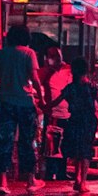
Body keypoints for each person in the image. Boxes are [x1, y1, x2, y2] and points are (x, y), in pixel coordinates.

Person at [0, 24, 45, 194]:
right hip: (25, 103)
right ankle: (31, 180)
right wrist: (41, 98)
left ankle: (3, 182)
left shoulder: (1, 54)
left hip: (5, 102)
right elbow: (34, 78)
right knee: (28, 141)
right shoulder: (29, 53)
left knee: (4, 140)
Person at [50, 56, 98, 194]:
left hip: (74, 121)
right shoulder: (90, 88)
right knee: (85, 152)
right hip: (88, 121)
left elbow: (57, 101)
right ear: (85, 71)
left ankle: (78, 180)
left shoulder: (71, 88)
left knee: (78, 150)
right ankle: (82, 181)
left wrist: (45, 106)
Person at [39, 45, 72, 180]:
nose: (55, 59)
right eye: (52, 56)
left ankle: (61, 171)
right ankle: (50, 171)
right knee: (50, 142)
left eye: (57, 56)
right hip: (52, 112)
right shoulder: (45, 72)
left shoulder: (68, 70)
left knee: (65, 142)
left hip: (66, 111)